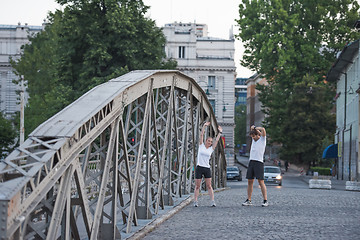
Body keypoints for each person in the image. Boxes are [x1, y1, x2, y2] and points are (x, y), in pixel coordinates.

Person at [194, 121, 223, 207]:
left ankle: (212, 201)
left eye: (211, 142)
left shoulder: (211, 149)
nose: (210, 142)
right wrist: (204, 126)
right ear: (206, 141)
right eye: (209, 141)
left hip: (207, 168)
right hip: (199, 167)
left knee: (209, 185)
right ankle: (195, 201)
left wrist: (220, 132)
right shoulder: (201, 146)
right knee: (197, 186)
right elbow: (201, 135)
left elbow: (217, 141)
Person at [242, 125, 268, 207]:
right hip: (251, 161)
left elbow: (263, 129)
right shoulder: (254, 140)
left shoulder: (262, 140)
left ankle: (265, 200)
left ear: (257, 135)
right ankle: (249, 199)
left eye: (254, 136)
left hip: (259, 162)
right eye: (252, 137)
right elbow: (251, 129)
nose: (253, 138)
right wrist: (253, 129)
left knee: (261, 181)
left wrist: (256, 128)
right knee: (250, 181)